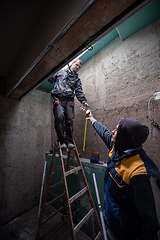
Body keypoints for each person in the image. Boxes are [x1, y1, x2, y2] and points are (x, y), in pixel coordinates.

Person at [87, 111, 160, 240]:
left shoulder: (142, 173)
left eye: (116, 130)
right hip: (112, 223)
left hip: (126, 234)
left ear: (124, 137)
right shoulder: (118, 148)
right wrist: (92, 119)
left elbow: (152, 224)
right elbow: (104, 133)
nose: (112, 132)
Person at [48, 59, 89, 149]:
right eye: (77, 65)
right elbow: (50, 80)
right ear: (72, 63)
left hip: (69, 101)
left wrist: (84, 101)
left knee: (69, 120)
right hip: (58, 99)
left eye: (79, 67)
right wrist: (50, 68)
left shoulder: (77, 79)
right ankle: (62, 141)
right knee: (59, 117)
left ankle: (69, 141)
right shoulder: (61, 72)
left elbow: (79, 92)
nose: (77, 67)